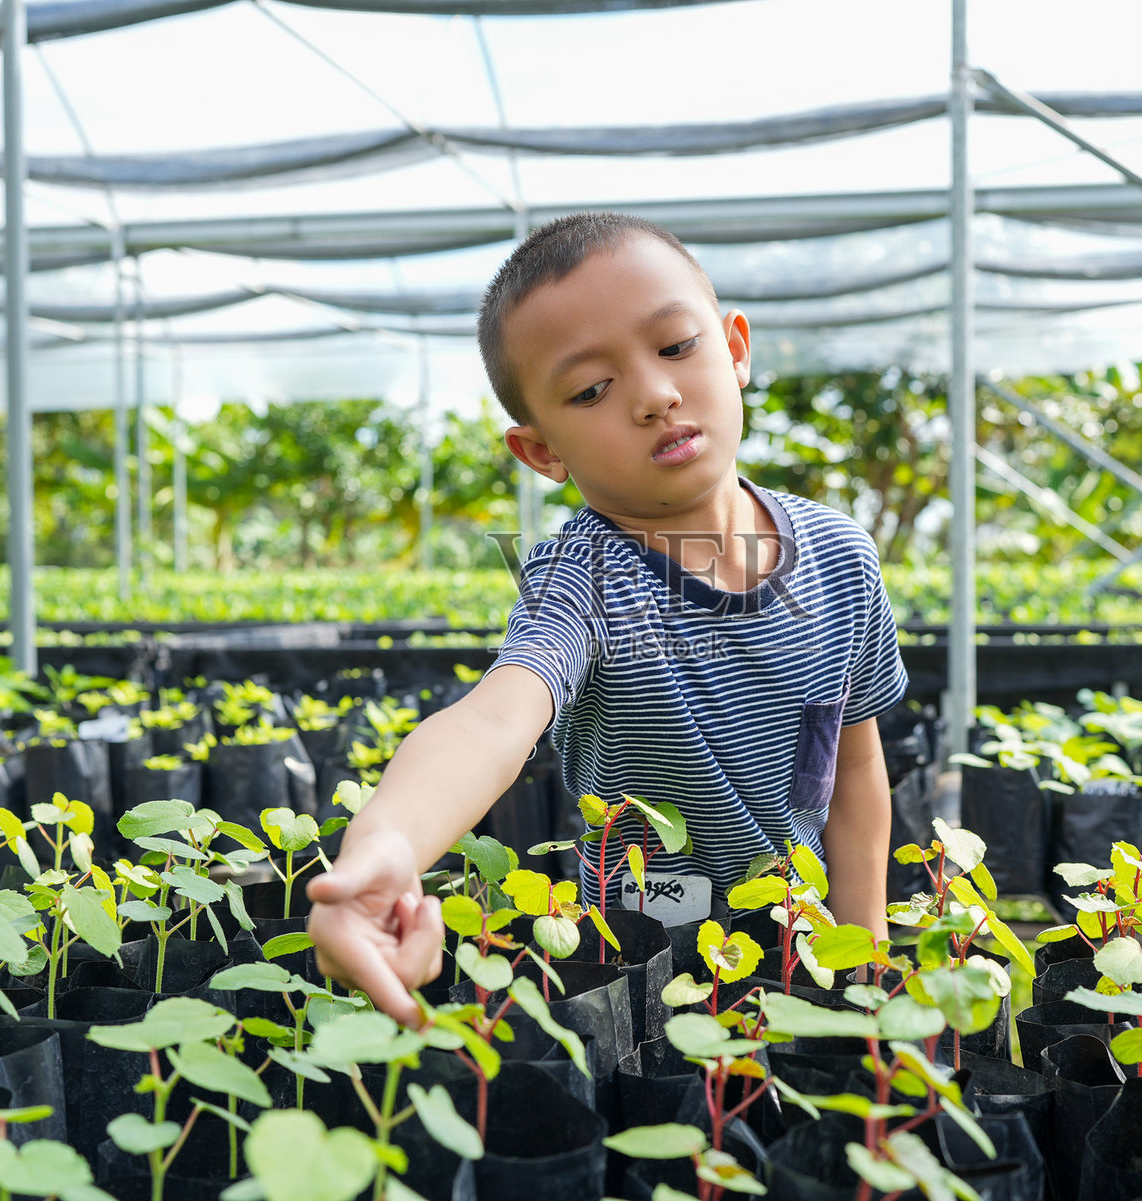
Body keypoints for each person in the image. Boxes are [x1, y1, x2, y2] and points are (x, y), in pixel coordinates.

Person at [307, 212, 908, 1024]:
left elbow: (856, 770)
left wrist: (862, 952)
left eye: (675, 347)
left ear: (735, 347)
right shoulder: (580, 576)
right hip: (638, 963)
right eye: (591, 390)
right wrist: (385, 846)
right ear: (542, 452)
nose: (656, 396)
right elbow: (492, 721)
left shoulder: (840, 556)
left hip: (802, 946)